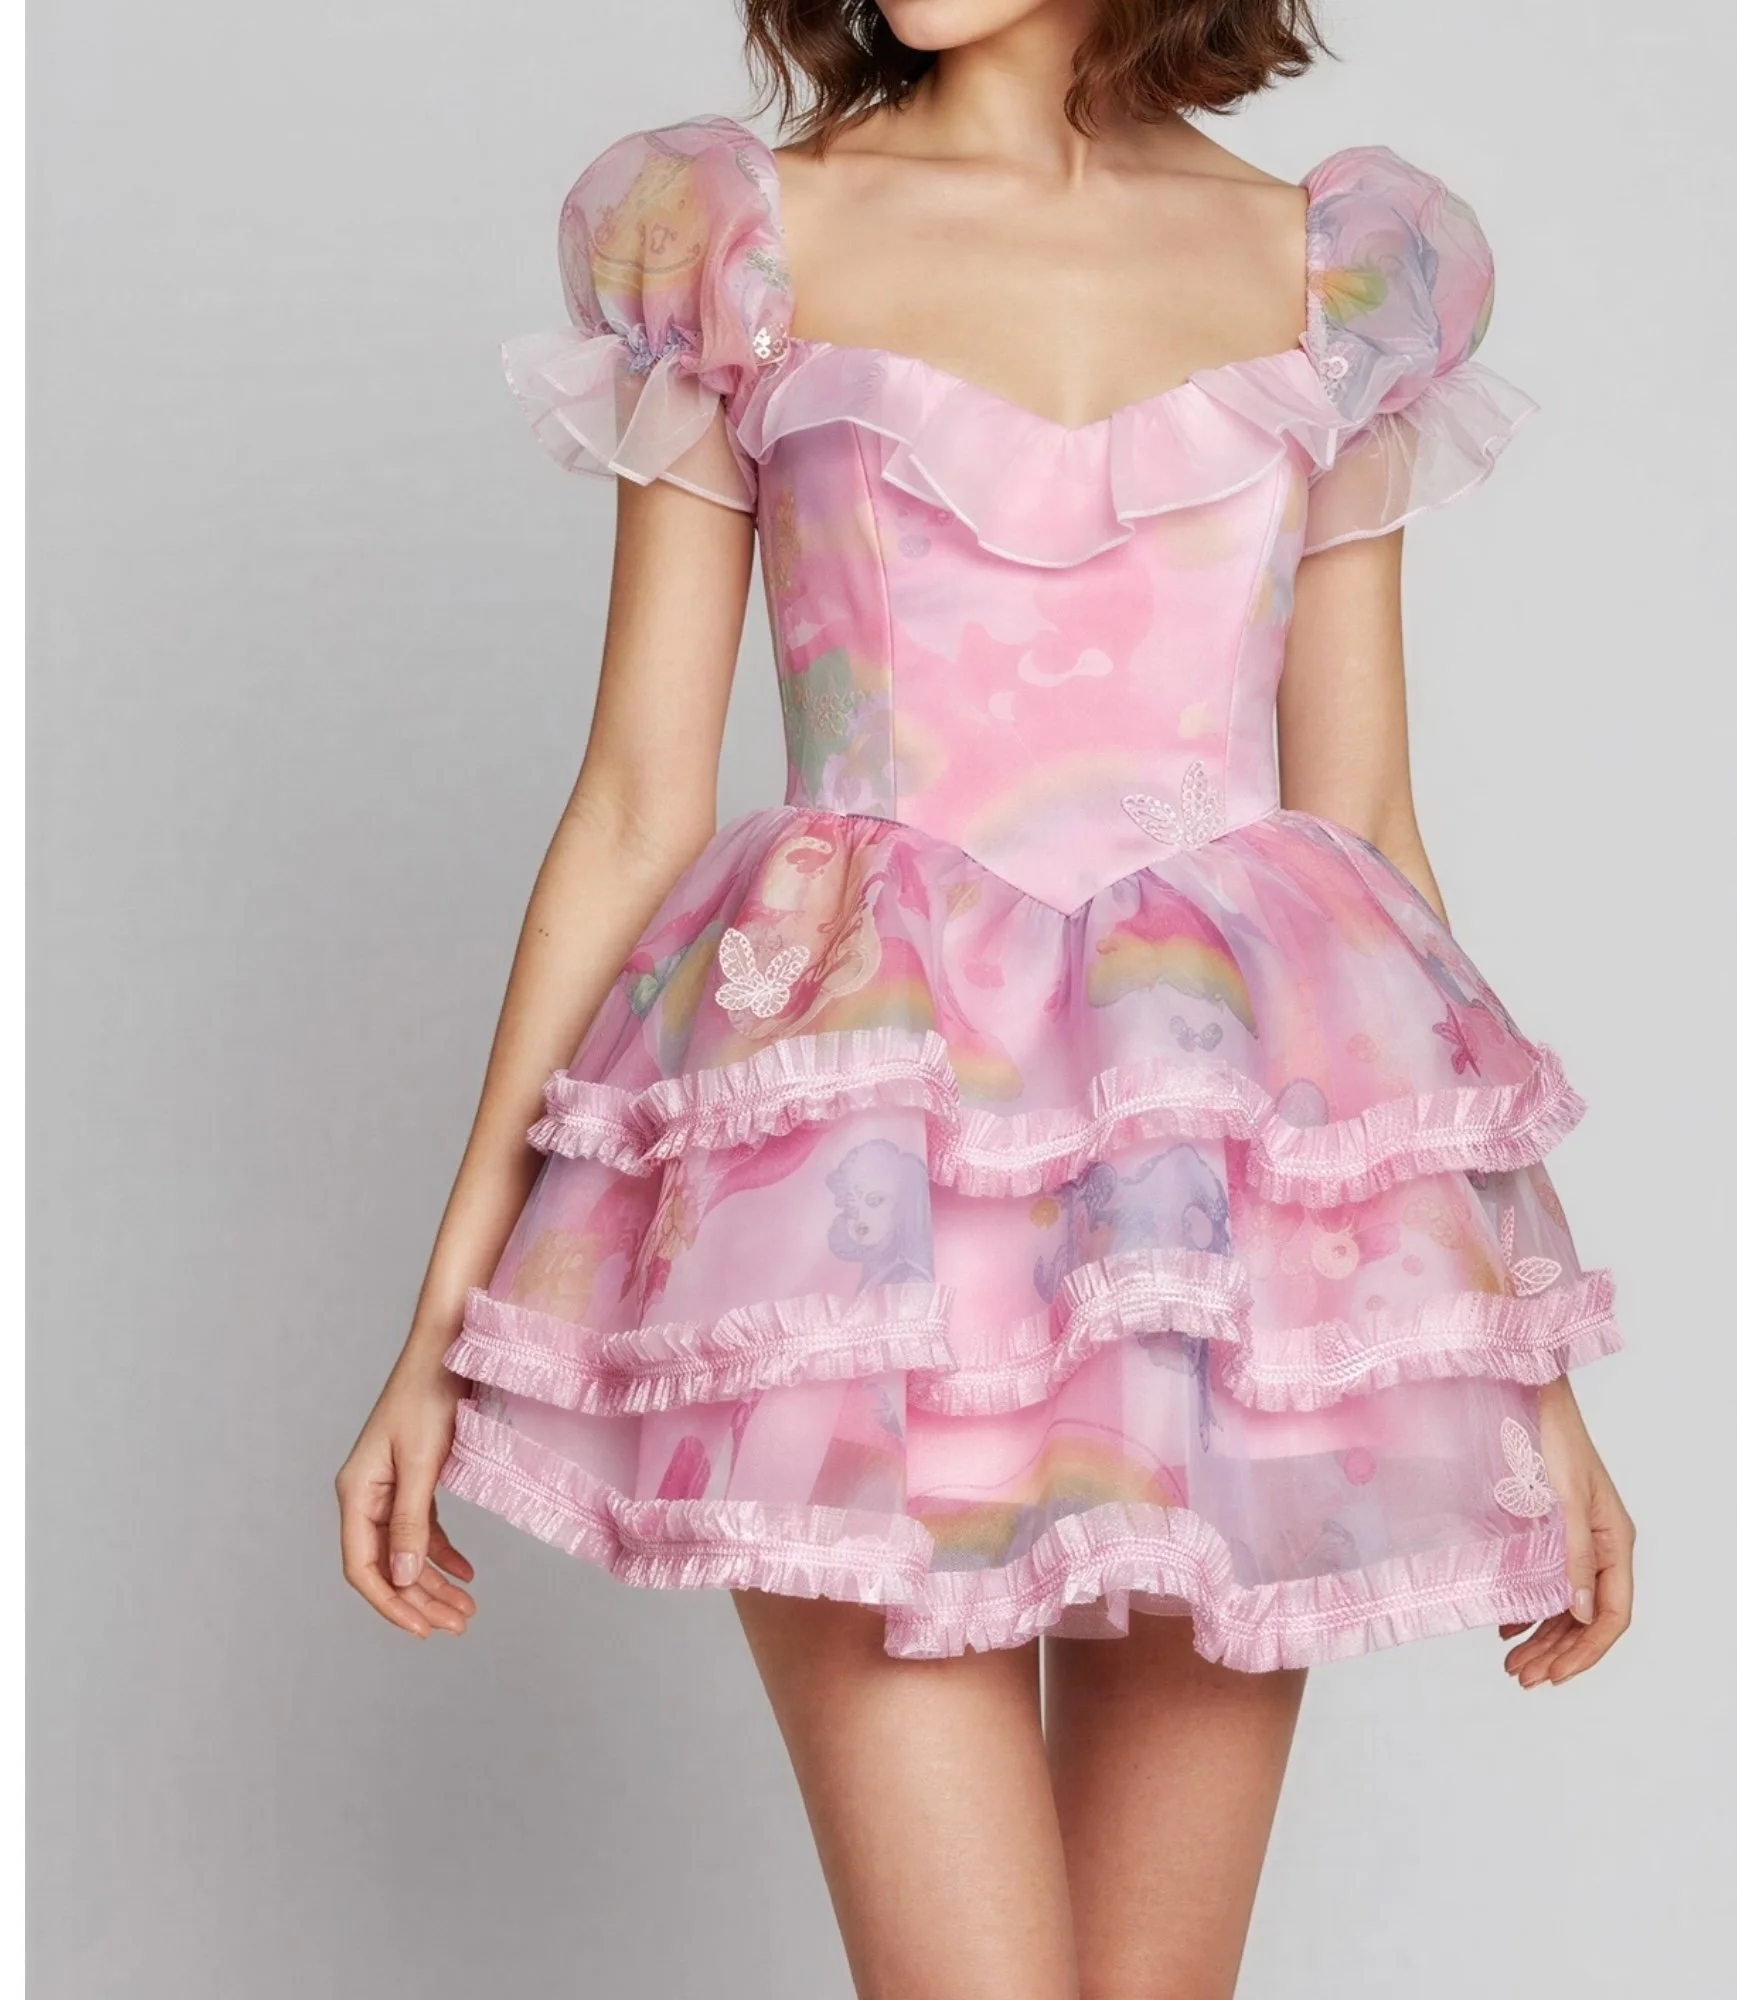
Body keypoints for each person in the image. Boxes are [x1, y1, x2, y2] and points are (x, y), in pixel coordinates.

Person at [336, 3, 1636, 1991]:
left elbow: (1364, 835)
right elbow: (632, 804)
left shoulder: (1337, 273)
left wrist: (1523, 1372)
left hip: (1213, 1235)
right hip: (864, 1219)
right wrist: (448, 1321)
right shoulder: (738, 241)